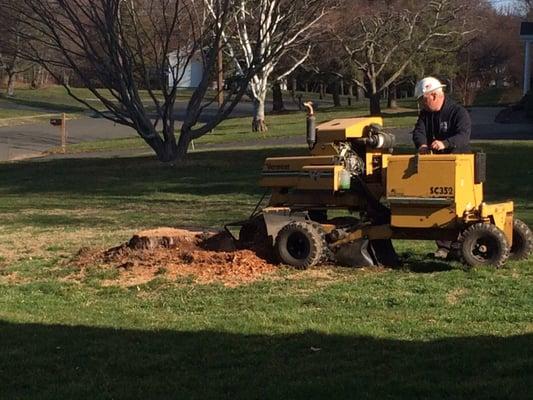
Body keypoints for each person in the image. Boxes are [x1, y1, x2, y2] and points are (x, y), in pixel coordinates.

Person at [411, 76, 472, 259]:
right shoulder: (425, 115)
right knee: (439, 205)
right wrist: (422, 145)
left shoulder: (458, 112)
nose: (422, 103)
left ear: (435, 95)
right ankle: (444, 246)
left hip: (459, 164)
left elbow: (463, 136)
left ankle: (461, 244)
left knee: (460, 206)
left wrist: (445, 143)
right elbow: (418, 132)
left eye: (424, 99)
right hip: (436, 167)